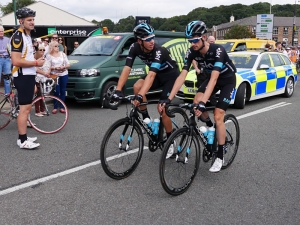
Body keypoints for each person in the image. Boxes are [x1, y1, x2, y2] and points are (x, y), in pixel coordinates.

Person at [159, 20, 237, 172]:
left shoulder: (218, 50)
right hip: (211, 79)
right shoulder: (192, 52)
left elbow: (214, 79)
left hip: (227, 80)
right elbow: (182, 76)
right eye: (190, 41)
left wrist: (204, 103)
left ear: (204, 37)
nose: (192, 44)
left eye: (195, 40)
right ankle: (209, 129)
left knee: (218, 115)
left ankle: (220, 156)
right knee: (196, 100)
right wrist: (168, 99)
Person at [111, 23, 180, 158]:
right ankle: (147, 120)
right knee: (137, 86)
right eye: (148, 39)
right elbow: (126, 69)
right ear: (139, 41)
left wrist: (140, 96)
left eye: (152, 37)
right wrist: (118, 90)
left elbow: (151, 75)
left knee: (163, 108)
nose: (151, 41)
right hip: (157, 76)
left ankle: (171, 141)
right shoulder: (134, 47)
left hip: (170, 77)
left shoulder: (159, 50)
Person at [11, 7, 45, 149]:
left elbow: (30, 57)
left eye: (33, 20)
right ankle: (22, 140)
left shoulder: (27, 36)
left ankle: (23, 136)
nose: (32, 22)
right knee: (24, 109)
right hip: (22, 76)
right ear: (21, 21)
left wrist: (38, 51)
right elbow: (16, 61)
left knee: (27, 108)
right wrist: (36, 63)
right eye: (29, 20)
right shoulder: (18, 36)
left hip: (29, 75)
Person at [47, 40, 70, 114]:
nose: (58, 47)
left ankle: (62, 107)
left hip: (64, 74)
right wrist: (54, 68)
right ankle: (55, 107)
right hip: (55, 75)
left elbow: (68, 65)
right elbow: (48, 67)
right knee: (56, 91)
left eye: (58, 46)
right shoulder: (49, 56)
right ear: (52, 47)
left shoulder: (63, 54)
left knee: (63, 91)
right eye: (56, 46)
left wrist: (63, 67)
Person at [34, 44, 51, 116]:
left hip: (45, 78)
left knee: (43, 95)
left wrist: (48, 73)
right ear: (37, 51)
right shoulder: (34, 59)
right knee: (38, 95)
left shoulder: (45, 58)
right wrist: (44, 73)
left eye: (44, 50)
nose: (42, 51)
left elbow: (50, 67)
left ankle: (42, 109)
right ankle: (37, 111)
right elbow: (35, 69)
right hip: (38, 78)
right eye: (40, 50)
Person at [0, 26, 11, 95]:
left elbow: (10, 49)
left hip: (7, 59)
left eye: (2, 31)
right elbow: (6, 50)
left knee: (7, 78)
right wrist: (4, 50)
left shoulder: (7, 39)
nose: (1, 33)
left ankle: (7, 94)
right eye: (0, 31)